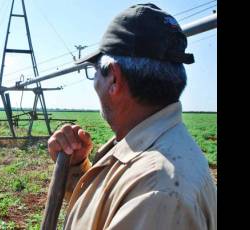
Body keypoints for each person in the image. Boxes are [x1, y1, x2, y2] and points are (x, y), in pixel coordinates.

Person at [47, 3, 217, 230]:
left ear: (114, 79)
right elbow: (109, 207)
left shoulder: (157, 193)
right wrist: (76, 166)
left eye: (95, 71)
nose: (95, 82)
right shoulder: (153, 156)